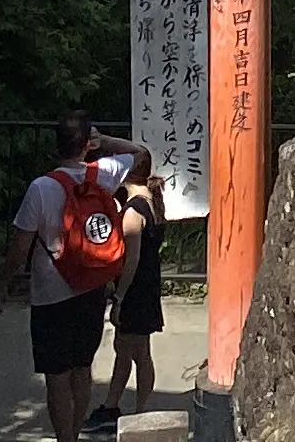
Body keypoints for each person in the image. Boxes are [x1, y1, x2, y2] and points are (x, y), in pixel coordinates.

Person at [0, 115, 149, 442]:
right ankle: (76, 434)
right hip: (92, 287)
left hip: (51, 293)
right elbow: (140, 154)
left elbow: (20, 246)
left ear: (55, 146)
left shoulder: (41, 188)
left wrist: (4, 285)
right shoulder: (103, 174)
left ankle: (65, 437)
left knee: (56, 375)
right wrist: (102, 139)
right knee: (82, 370)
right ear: (86, 144)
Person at [104, 156, 168, 429]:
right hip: (148, 286)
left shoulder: (133, 212)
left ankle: (135, 410)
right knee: (130, 349)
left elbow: (131, 261)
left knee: (135, 351)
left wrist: (118, 297)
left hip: (134, 290)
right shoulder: (152, 202)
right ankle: (114, 405)